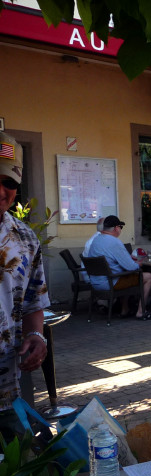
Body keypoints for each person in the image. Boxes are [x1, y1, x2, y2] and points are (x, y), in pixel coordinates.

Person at [0, 132, 49, 440]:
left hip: (7, 388)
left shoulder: (25, 239)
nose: (1, 191)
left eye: (8, 182)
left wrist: (35, 335)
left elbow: (33, 302)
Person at [86, 215, 151, 320]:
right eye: (120, 227)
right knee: (148, 276)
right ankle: (141, 311)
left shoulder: (96, 240)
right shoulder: (114, 242)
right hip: (110, 282)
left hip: (95, 283)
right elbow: (131, 267)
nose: (120, 230)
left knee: (128, 276)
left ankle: (125, 309)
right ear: (116, 228)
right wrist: (140, 263)